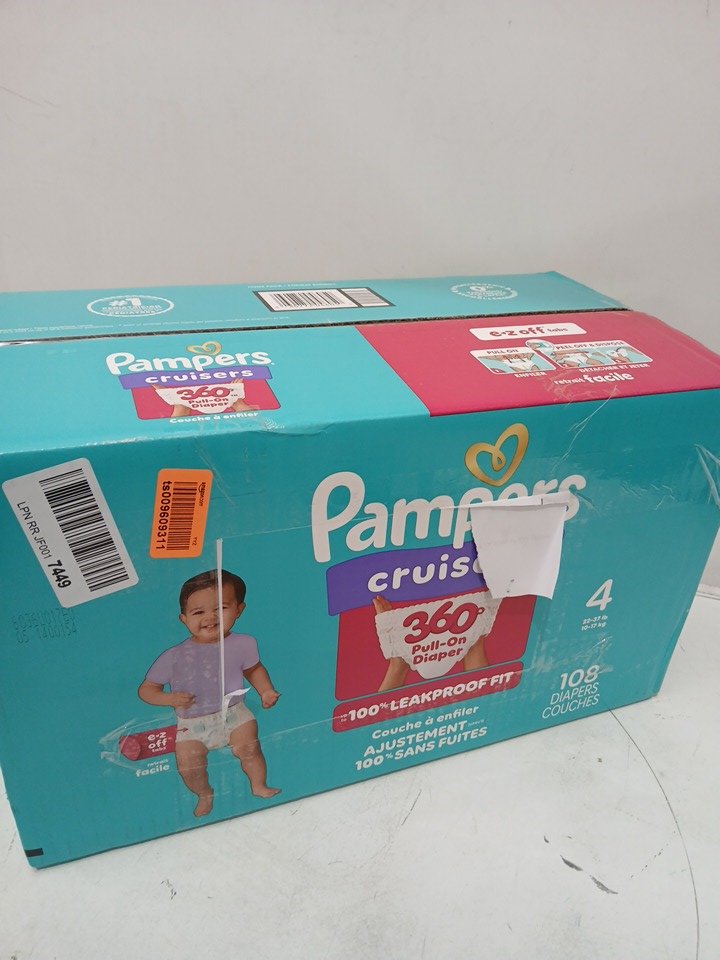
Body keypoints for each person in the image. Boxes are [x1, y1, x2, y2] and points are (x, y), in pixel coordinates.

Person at [138, 569, 280, 817]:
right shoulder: (174, 656)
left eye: (221, 608)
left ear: (239, 609)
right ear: (183, 618)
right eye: (198, 612)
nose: (210, 617)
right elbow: (147, 690)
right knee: (188, 766)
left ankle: (258, 785)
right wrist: (169, 699)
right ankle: (204, 794)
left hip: (234, 713)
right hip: (192, 724)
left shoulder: (243, 644)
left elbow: (254, 669)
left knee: (249, 748)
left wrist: (266, 691)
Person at [372, 595, 494, 692]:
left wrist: (391, 628)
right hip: (463, 607)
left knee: (398, 663)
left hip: (411, 619)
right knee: (475, 645)